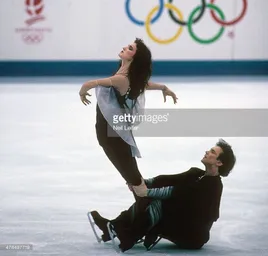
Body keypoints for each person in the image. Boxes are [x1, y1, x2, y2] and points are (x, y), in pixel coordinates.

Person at [89, 139, 236, 252]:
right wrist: (141, 183)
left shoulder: (214, 186)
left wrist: (146, 191)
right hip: (179, 223)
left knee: (159, 202)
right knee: (152, 200)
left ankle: (129, 236)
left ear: (219, 162)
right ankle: (113, 228)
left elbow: (176, 192)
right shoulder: (196, 174)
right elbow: (167, 179)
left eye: (212, 152)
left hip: (192, 235)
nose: (207, 152)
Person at [79, 38, 178, 193]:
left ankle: (151, 211)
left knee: (135, 181)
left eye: (130, 48)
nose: (125, 47)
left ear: (134, 58)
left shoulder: (121, 79)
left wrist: (83, 90)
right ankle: (142, 213)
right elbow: (142, 84)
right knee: (133, 179)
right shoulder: (127, 77)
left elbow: (91, 83)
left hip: (113, 136)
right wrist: (163, 87)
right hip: (113, 134)